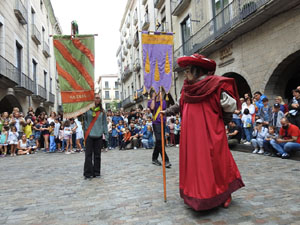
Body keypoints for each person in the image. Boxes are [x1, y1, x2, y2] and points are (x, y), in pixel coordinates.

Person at [165, 53, 244, 210]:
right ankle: (198, 194)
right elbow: (181, 105)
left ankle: (225, 193)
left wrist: (222, 124)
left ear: (197, 70)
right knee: (197, 165)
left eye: (188, 70)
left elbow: (230, 106)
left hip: (211, 131)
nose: (185, 73)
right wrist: (166, 112)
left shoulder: (216, 84)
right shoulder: (187, 88)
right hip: (191, 135)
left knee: (218, 163)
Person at [83, 94, 108, 179]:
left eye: (98, 98)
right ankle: (88, 172)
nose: (97, 99)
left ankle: (97, 172)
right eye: (95, 98)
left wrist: (106, 135)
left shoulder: (102, 112)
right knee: (88, 155)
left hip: (98, 135)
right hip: (89, 134)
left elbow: (104, 124)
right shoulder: (87, 110)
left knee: (97, 155)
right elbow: (84, 121)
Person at [148, 91, 172, 168]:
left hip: (162, 123)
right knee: (159, 140)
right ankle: (166, 160)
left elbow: (163, 109)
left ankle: (154, 158)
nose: (159, 94)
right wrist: (153, 99)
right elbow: (152, 108)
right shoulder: (150, 101)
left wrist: (160, 98)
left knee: (160, 141)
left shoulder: (163, 102)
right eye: (157, 93)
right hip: (156, 123)